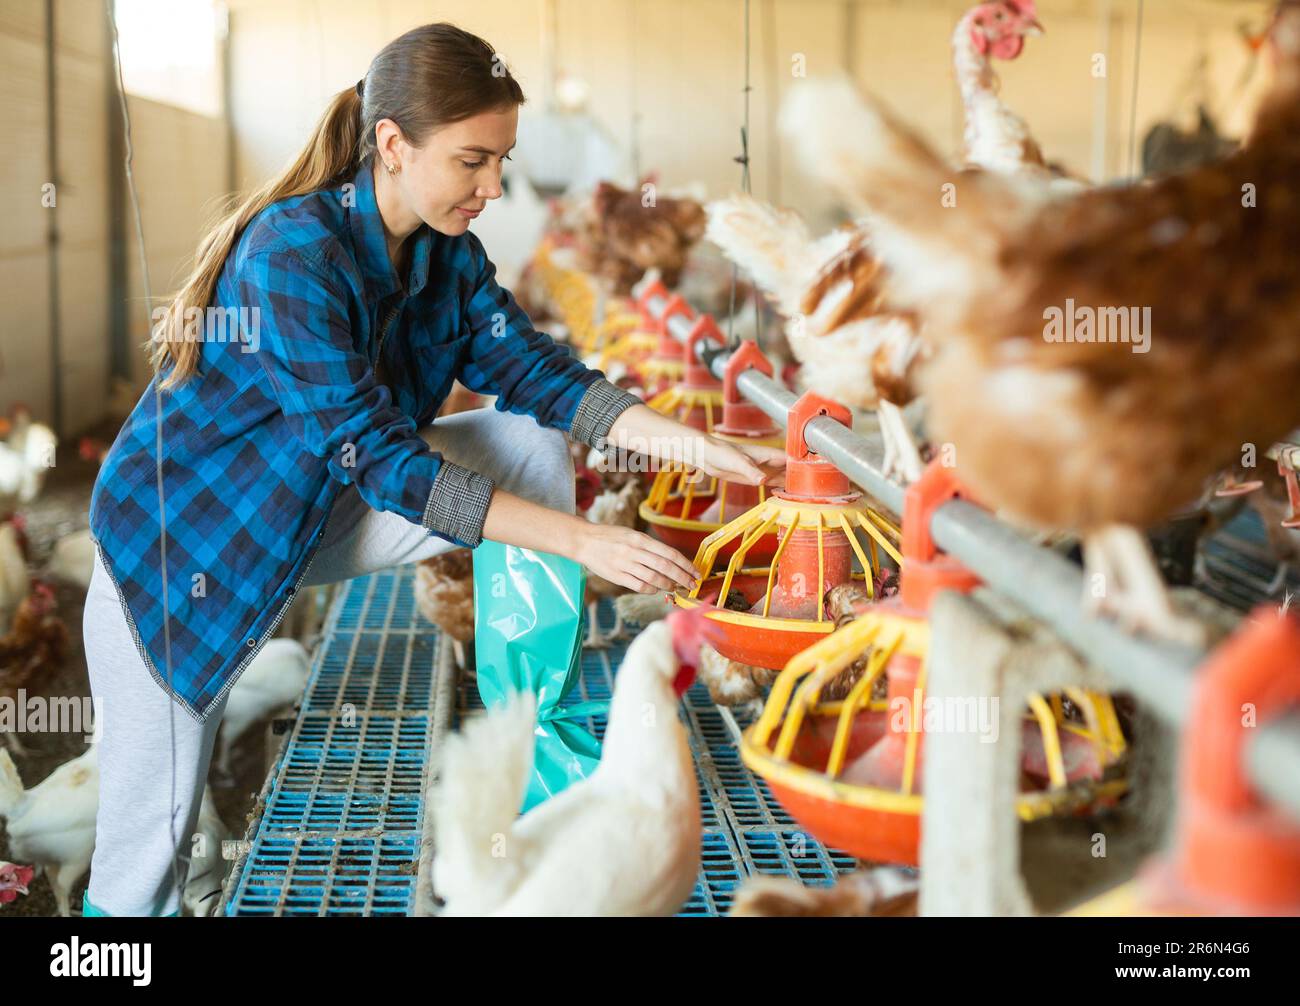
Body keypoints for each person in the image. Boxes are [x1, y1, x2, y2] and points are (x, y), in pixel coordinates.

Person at [81, 22, 783, 916]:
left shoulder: (445, 257)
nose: (496, 187)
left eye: (503, 161)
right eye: (473, 161)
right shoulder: (292, 253)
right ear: (392, 144)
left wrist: (699, 442)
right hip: (184, 557)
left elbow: (539, 376)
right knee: (150, 852)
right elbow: (375, 456)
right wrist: (586, 539)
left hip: (303, 515)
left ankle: (536, 757)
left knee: (525, 440)